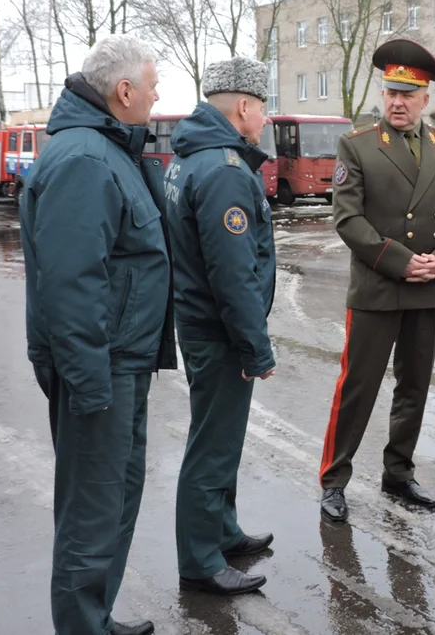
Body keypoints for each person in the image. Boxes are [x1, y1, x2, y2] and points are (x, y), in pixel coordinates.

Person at [20, 34, 176, 635]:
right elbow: (72, 284)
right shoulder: (86, 161)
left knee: (113, 500)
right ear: (125, 90)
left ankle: (94, 619)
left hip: (121, 360)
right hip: (101, 367)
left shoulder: (109, 151)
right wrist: (88, 385)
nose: (158, 96)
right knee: (91, 512)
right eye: (153, 86)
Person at [318, 38, 435, 523]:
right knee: (358, 387)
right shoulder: (358, 145)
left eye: (408, 95)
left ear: (426, 98)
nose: (397, 103)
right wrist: (400, 261)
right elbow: (348, 219)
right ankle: (334, 480)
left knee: (414, 386)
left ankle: (398, 473)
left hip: (429, 286)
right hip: (378, 286)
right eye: (391, 93)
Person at [162, 56, 277, 595]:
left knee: (220, 438)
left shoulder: (190, 158)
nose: (266, 119)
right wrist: (256, 347)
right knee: (213, 445)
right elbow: (233, 274)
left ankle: (222, 531)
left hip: (202, 322)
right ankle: (200, 559)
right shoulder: (225, 170)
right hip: (219, 330)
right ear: (244, 107)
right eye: (263, 108)